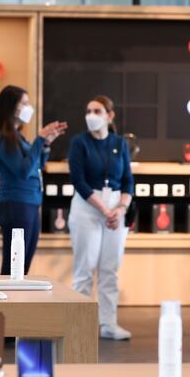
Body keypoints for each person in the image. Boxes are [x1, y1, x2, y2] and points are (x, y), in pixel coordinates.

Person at [67, 96, 134, 340]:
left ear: (109, 115)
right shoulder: (79, 143)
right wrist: (104, 210)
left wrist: (120, 209)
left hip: (116, 207)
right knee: (84, 269)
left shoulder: (119, 143)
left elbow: (128, 180)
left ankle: (109, 324)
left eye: (97, 110)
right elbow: (79, 182)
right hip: (88, 207)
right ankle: (80, 326)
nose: (91, 115)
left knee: (110, 269)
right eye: (88, 110)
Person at [0, 85, 67, 275]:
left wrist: (45, 144)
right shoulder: (2, 138)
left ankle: (15, 301)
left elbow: (36, 165)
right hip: (16, 204)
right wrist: (39, 140)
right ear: (12, 107)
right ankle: (7, 302)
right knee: (15, 264)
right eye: (25, 103)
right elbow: (23, 170)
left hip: (29, 202)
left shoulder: (17, 136)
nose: (29, 108)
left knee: (23, 263)